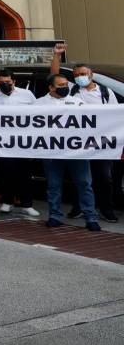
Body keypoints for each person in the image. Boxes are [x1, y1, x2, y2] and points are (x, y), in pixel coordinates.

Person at [50, 43, 120, 222]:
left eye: (83, 74)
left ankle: (106, 208)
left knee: (104, 177)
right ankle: (78, 207)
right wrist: (57, 56)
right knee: (79, 178)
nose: (80, 77)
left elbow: (115, 116)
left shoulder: (106, 92)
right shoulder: (72, 91)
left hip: (101, 142)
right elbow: (54, 77)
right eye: (76, 75)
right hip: (78, 142)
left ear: (91, 75)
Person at [35, 74, 101, 232]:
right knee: (54, 186)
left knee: (85, 184)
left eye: (66, 84)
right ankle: (55, 216)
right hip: (51, 151)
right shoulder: (38, 104)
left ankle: (91, 217)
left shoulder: (78, 102)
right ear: (51, 87)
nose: (65, 87)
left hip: (76, 152)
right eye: (60, 85)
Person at [0, 70, 40, 217]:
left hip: (24, 141)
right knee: (6, 173)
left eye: (8, 82)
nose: (5, 85)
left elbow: (39, 114)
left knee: (25, 173)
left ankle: (27, 204)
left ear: (14, 82)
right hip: (3, 141)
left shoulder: (27, 95)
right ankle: (7, 202)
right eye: (2, 83)